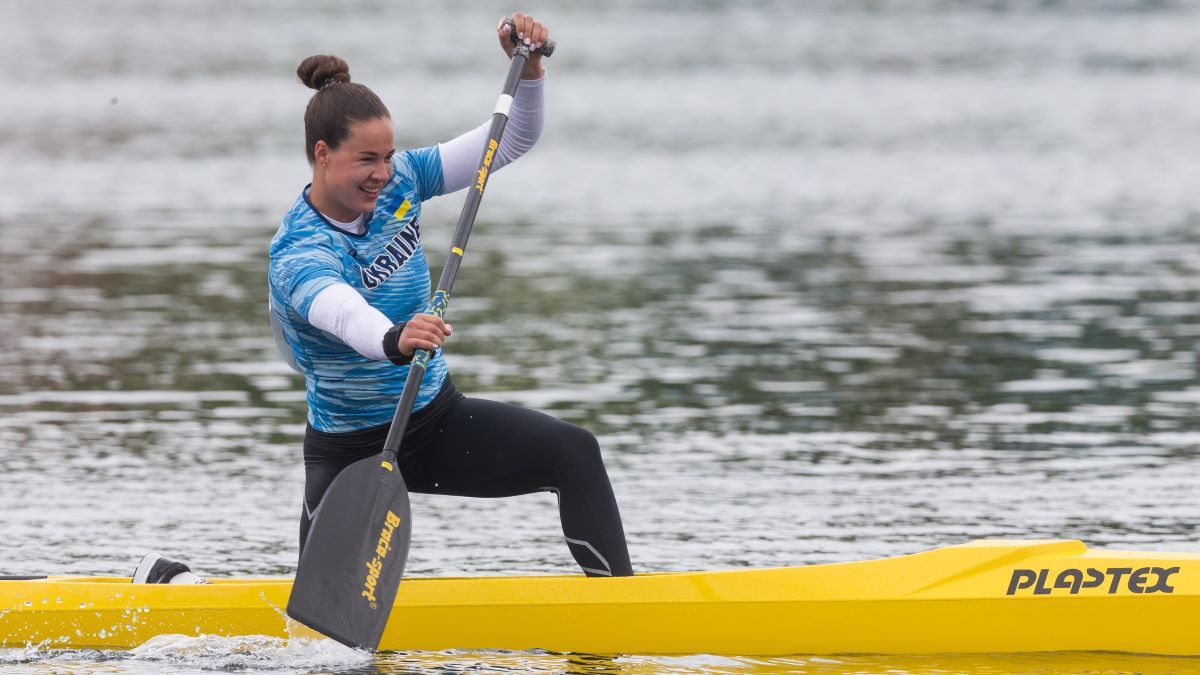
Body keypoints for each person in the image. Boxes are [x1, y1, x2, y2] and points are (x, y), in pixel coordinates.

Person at [267, 13, 633, 578]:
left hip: (435, 420)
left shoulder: (405, 180)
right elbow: (340, 312)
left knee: (574, 451)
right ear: (322, 153)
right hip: (349, 453)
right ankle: (181, 586)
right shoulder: (298, 248)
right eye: (367, 159)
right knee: (319, 625)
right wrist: (393, 338)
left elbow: (507, 140)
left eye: (387, 157)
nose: (383, 174)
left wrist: (530, 68)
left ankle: (620, 608)